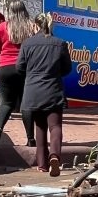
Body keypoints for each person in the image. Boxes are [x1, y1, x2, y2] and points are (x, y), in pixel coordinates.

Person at [17, 12, 72, 176]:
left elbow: (19, 67)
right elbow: (67, 68)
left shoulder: (27, 44)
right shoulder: (60, 43)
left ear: (35, 25)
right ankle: (54, 155)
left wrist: (32, 74)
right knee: (55, 126)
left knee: (40, 127)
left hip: (33, 91)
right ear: (51, 25)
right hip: (53, 89)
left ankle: (42, 164)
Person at [0, 0, 36, 147]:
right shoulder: (31, 27)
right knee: (26, 105)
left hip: (5, 68)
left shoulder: (3, 27)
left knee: (6, 103)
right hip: (25, 68)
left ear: (10, 11)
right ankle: (30, 138)